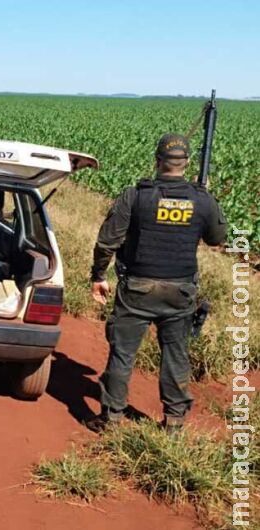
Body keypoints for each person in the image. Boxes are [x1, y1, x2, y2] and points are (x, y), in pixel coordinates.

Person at [85, 133, 227, 434]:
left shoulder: (136, 195)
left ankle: (111, 418)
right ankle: (174, 422)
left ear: (157, 161)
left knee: (123, 353)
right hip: (180, 291)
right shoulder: (202, 199)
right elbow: (217, 238)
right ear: (186, 163)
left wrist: (98, 276)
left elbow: (107, 241)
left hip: (138, 288)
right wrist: (207, 199)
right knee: (175, 354)